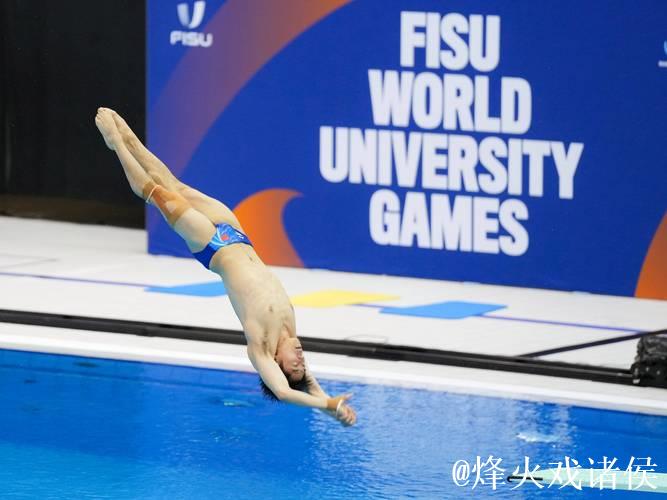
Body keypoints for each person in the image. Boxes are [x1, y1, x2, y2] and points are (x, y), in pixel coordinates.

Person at [95, 107, 356, 426]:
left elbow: (285, 392)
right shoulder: (290, 333)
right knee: (175, 184)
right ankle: (129, 138)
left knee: (157, 193)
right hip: (236, 234)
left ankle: (115, 144)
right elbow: (308, 383)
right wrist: (331, 407)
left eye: (294, 365)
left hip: (211, 247)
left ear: (277, 363)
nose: (301, 359)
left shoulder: (261, 347)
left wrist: (326, 403)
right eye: (303, 364)